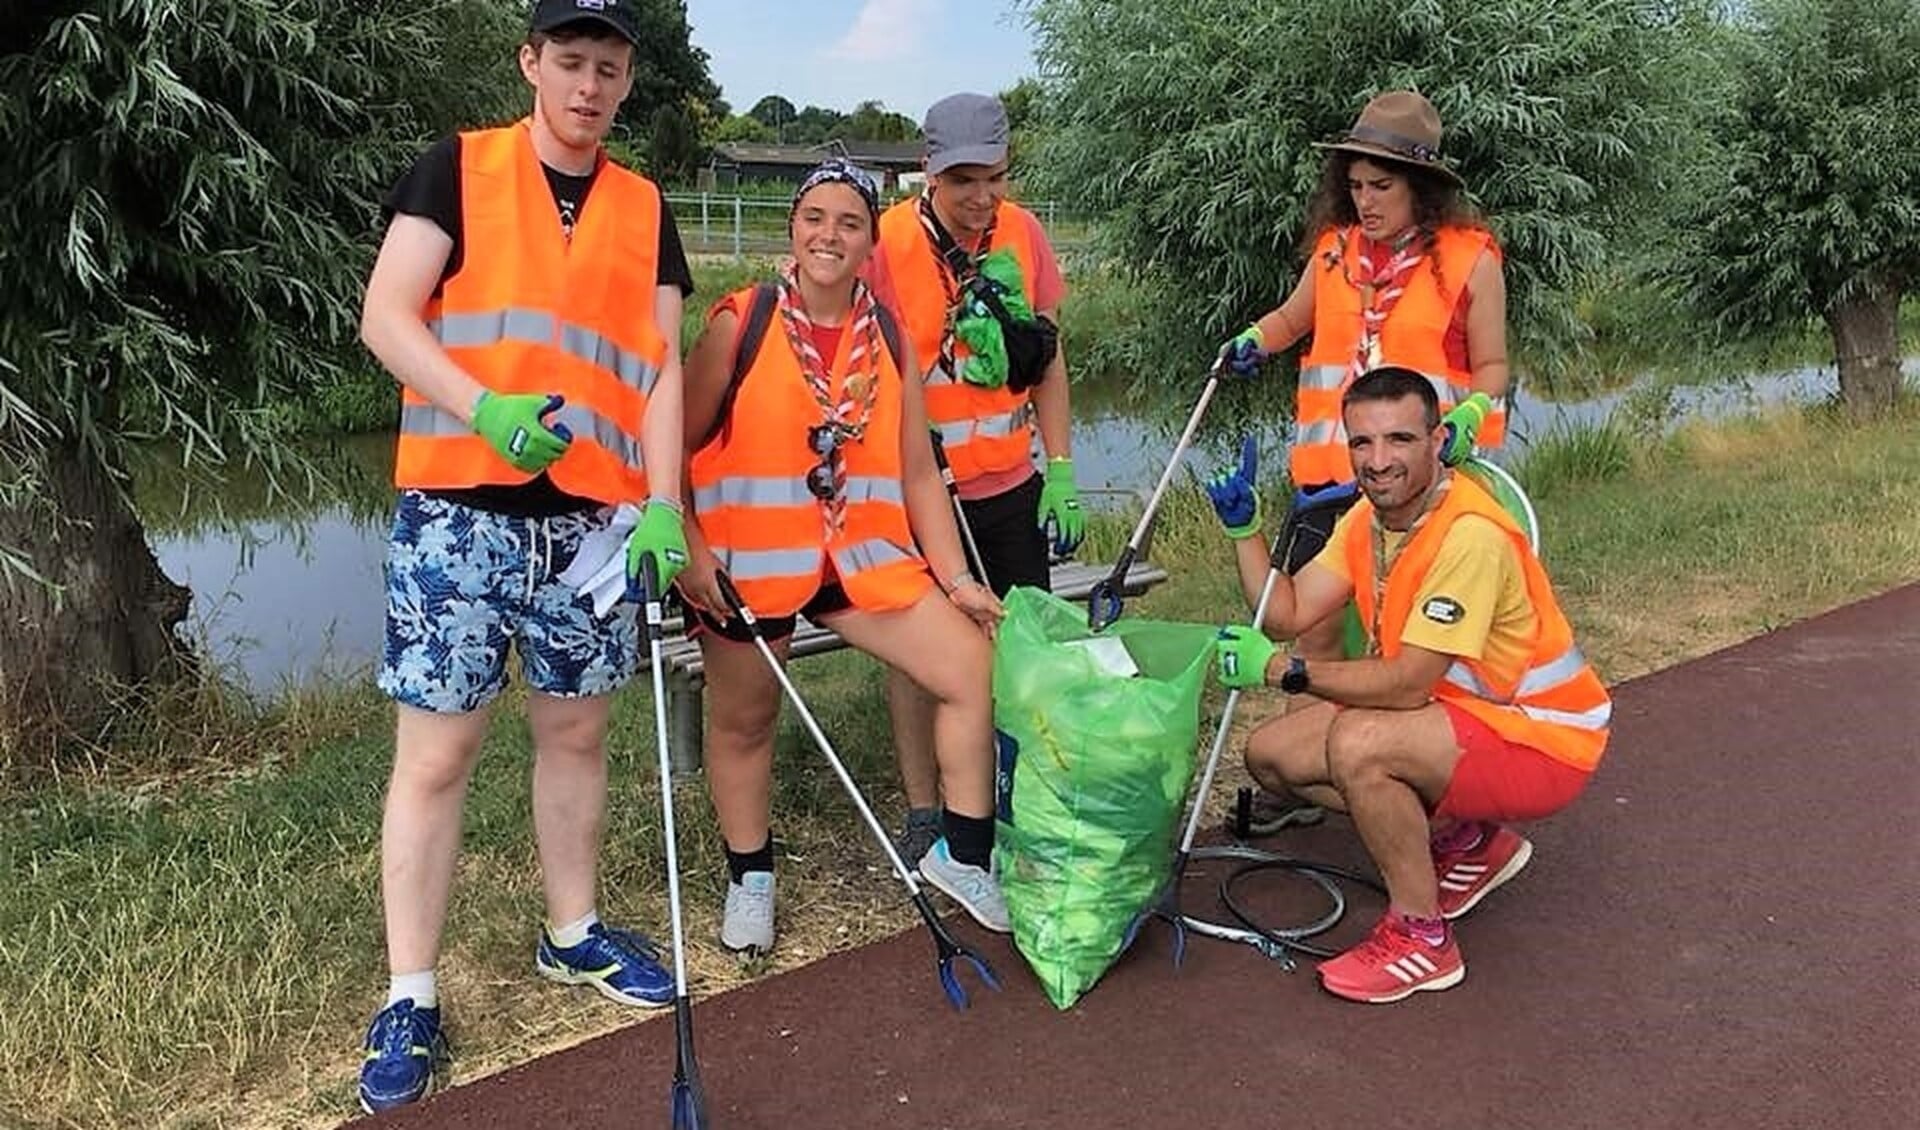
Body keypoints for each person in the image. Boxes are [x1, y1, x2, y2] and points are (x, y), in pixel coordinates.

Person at [351, 1, 692, 1111]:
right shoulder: (458, 168)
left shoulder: (645, 207)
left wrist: (663, 503)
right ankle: (410, 990)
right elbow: (387, 315)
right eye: (571, 62)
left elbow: (658, 369)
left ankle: (573, 930)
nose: (589, 85)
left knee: (577, 733)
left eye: (610, 68)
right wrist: (483, 406)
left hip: (590, 523)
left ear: (628, 80)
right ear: (531, 63)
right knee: (437, 755)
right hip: (462, 505)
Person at [676, 160, 1011, 957]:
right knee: (747, 720)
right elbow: (674, 448)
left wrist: (957, 577)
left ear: (870, 242)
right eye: (815, 217)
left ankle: (960, 856)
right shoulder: (742, 321)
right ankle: (750, 878)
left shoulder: (889, 335)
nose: (830, 234)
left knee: (971, 669)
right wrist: (689, 552)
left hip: (860, 557)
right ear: (793, 229)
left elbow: (920, 470)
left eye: (850, 222)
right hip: (749, 561)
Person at [1211, 367, 1610, 1004]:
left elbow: (1403, 685)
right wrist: (1245, 533)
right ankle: (1468, 839)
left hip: (1544, 739)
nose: (1378, 461)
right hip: (1456, 716)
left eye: (1399, 440)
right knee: (1271, 756)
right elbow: (1285, 611)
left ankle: (1422, 939)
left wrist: (1283, 670)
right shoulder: (1368, 520)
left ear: (1437, 440)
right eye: (1361, 444)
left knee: (1360, 744)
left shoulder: (1469, 536)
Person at [1211, 89, 1511, 835]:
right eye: (1355, 186)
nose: (1365, 201)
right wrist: (1253, 340)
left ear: (1422, 188)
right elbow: (1292, 318)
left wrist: (1473, 411)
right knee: (1309, 633)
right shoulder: (1336, 253)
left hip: (1420, 490)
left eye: (1382, 186)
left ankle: (1422, 780)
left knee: (1412, 648)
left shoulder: (1470, 259)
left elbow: (1495, 366)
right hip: (1327, 481)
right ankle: (1301, 771)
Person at [863, 91, 1081, 864]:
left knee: (1024, 644)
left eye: (994, 176)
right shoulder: (886, 241)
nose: (981, 197)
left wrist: (1060, 469)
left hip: (1010, 483)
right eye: (963, 180)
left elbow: (1048, 359)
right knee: (920, 656)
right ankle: (926, 809)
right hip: (917, 492)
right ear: (929, 170)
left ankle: (1020, 791)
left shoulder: (1022, 233)